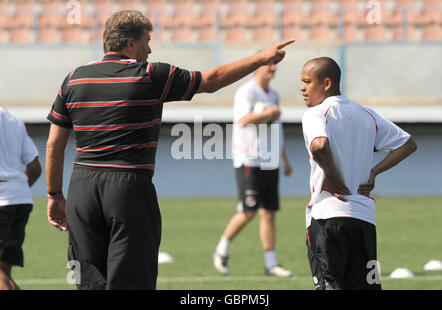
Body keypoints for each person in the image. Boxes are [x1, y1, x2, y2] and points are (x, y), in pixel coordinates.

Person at [45, 10, 294, 290]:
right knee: (131, 282)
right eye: (146, 41)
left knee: (89, 284)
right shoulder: (151, 74)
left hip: (81, 189)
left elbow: (54, 144)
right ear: (130, 44)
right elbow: (211, 80)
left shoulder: (73, 78)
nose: (149, 49)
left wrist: (54, 195)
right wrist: (261, 57)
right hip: (128, 190)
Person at [300, 57, 417, 290]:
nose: (302, 88)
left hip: (327, 217)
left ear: (326, 83)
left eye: (306, 81)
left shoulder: (316, 114)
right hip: (363, 220)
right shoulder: (366, 115)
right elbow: (407, 143)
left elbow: (320, 145)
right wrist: (374, 172)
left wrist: (332, 178)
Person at [213, 63, 293, 277]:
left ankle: (271, 263)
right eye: (269, 65)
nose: (273, 69)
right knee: (248, 211)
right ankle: (221, 249)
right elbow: (243, 120)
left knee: (269, 212)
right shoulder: (246, 92)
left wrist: (284, 159)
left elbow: (276, 130)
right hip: (250, 158)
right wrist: (269, 112)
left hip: (270, 160)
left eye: (276, 66)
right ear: (258, 68)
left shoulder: (274, 94)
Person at [0, 107, 42, 290]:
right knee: (4, 272)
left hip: (2, 199)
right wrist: (16, 189)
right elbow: (35, 169)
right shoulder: (14, 120)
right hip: (19, 200)